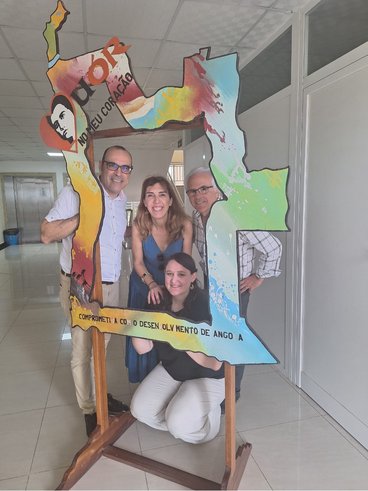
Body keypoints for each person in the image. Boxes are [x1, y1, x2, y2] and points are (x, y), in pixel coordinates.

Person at [41, 145, 132, 436]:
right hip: (80, 284)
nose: (118, 173)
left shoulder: (122, 199)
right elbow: (46, 234)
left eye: (125, 167)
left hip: (111, 285)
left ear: (130, 173)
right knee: (81, 350)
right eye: (113, 165)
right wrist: (84, 217)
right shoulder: (77, 193)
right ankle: (89, 410)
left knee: (101, 348)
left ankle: (101, 395)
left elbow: (115, 237)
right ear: (101, 166)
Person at [185, 166, 282, 405]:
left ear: (216, 189)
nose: (199, 195)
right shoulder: (197, 219)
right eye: (192, 191)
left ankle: (231, 395)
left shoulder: (237, 215)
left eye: (204, 188)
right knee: (218, 337)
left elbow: (273, 248)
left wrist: (257, 277)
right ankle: (218, 384)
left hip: (235, 289)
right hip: (211, 285)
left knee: (234, 340)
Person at [130, 252, 224, 444]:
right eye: (169, 273)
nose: (173, 280)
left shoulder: (207, 304)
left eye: (181, 274)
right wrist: (136, 326)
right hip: (173, 370)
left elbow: (214, 364)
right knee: (140, 410)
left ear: (193, 277)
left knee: (178, 425)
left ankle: (207, 421)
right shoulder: (158, 299)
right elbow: (143, 349)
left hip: (207, 376)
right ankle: (178, 419)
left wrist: (179, 336)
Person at [126, 176, 193, 383]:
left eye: (162, 195)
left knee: (172, 336)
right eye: (150, 196)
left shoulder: (185, 224)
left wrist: (176, 289)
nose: (157, 201)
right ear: (144, 202)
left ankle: (171, 382)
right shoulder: (139, 225)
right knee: (144, 336)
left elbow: (186, 261)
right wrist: (152, 284)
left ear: (171, 200)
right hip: (145, 286)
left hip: (174, 287)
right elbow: (137, 262)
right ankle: (146, 385)